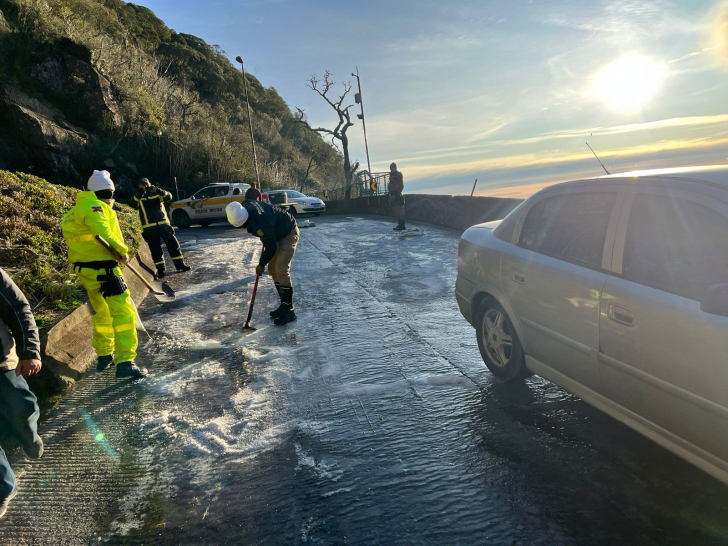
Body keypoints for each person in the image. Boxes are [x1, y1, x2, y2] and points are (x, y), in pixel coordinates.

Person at [61, 170, 148, 379]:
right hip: (105, 270)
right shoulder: (95, 207)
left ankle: (104, 355)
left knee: (102, 313)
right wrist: (122, 252)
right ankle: (126, 361)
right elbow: (103, 232)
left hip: (87, 271)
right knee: (124, 313)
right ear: (108, 192)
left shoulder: (74, 210)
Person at [0, 268, 43, 519]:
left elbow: (17, 308)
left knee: (22, 410)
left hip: (2, 362)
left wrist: (29, 351)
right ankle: (4, 488)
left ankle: (30, 436)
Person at [225, 200, 299, 325]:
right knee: (273, 270)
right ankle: (283, 305)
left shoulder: (262, 222)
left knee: (281, 270)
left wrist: (261, 264)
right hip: (275, 232)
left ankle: (289, 310)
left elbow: (271, 247)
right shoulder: (245, 206)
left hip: (288, 233)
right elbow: (268, 241)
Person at [132, 178, 190, 279]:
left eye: (146, 184)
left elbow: (169, 197)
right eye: (142, 185)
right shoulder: (138, 196)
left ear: (150, 184)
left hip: (163, 224)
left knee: (173, 245)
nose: (145, 186)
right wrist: (140, 193)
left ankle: (180, 265)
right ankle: (161, 269)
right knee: (155, 249)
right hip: (149, 227)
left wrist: (158, 190)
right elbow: (133, 204)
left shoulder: (157, 193)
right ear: (139, 186)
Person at [388, 162, 406, 231]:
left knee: (400, 210)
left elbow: (401, 185)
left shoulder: (398, 175)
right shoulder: (391, 176)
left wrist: (398, 194)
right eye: (391, 168)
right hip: (392, 195)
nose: (392, 169)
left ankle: (402, 225)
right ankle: (399, 224)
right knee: (395, 210)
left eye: (393, 167)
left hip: (397, 194)